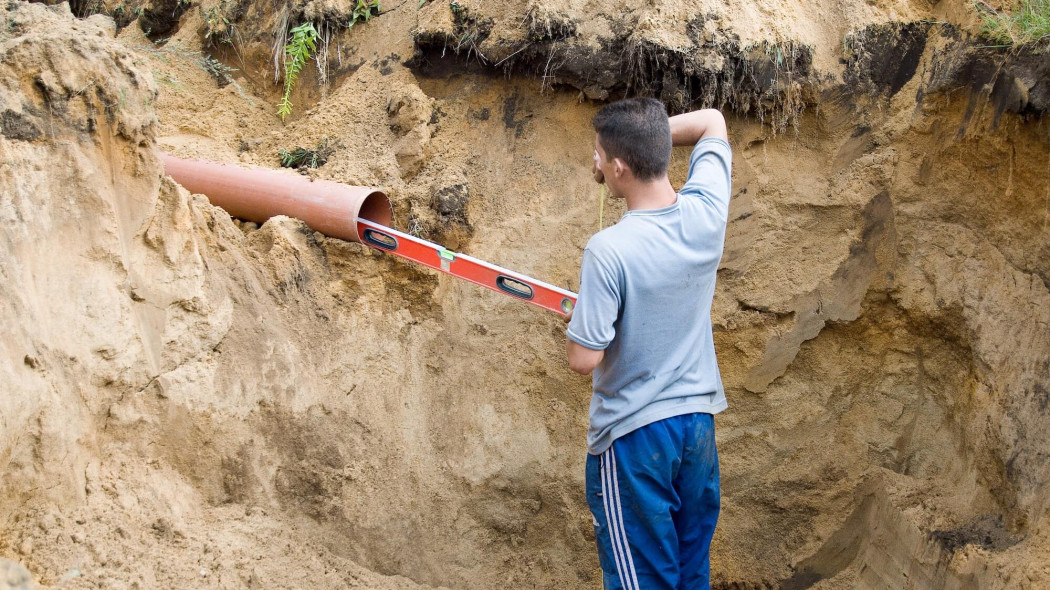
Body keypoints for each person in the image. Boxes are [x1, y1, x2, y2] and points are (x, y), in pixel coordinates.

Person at [565, 98, 731, 590]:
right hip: (696, 430)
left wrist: (583, 318)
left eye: (600, 155)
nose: (595, 161)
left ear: (618, 168)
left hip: (635, 439)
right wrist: (649, 137)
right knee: (688, 571)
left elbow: (583, 358)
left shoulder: (609, 250)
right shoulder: (707, 215)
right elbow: (711, 122)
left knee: (643, 580)